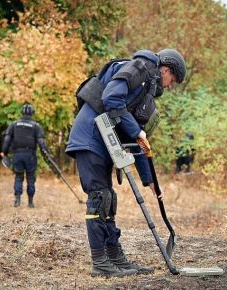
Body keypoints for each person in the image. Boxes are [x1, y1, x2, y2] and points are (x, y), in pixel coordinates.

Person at [66, 49, 186, 277]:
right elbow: (110, 97)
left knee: (108, 200)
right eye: (173, 80)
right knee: (99, 199)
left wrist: (150, 180)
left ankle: (115, 258)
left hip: (102, 143)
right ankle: (100, 262)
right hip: (90, 137)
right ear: (166, 70)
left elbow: (136, 139)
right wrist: (137, 130)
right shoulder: (141, 67)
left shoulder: (145, 91)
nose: (170, 85)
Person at [0, 104, 50, 208]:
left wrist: (3, 152)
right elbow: (41, 143)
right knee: (31, 178)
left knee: (18, 176)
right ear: (32, 113)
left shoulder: (14, 124)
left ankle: (17, 200)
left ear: (22, 113)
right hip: (30, 156)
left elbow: (7, 140)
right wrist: (46, 153)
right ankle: (30, 203)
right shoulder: (36, 126)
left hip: (17, 155)